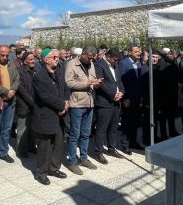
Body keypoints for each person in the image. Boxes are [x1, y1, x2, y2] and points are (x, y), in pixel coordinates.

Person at [32, 49, 69, 185]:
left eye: (58, 56)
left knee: (58, 144)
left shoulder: (59, 72)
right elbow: (45, 96)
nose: (57, 59)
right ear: (46, 59)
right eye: (54, 57)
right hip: (46, 116)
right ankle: (41, 172)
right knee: (44, 147)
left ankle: (54, 168)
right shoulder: (39, 76)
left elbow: (66, 89)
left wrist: (66, 103)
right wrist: (61, 105)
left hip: (60, 116)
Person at [63, 45, 100, 175]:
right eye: (89, 57)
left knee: (86, 133)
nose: (90, 60)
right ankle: (72, 161)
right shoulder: (71, 64)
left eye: (92, 58)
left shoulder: (91, 64)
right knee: (75, 134)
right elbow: (68, 82)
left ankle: (84, 158)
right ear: (83, 54)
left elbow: (92, 78)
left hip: (89, 103)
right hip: (77, 103)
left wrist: (96, 82)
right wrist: (86, 84)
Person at [93, 48, 126, 164]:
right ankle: (98, 152)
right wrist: (113, 95)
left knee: (113, 127)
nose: (115, 62)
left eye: (117, 60)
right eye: (114, 59)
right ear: (107, 56)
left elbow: (119, 80)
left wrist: (121, 92)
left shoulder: (115, 66)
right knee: (102, 129)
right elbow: (100, 83)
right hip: (104, 102)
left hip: (116, 101)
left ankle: (111, 148)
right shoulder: (99, 65)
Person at [118, 45, 145, 153]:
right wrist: (124, 97)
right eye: (136, 51)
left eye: (139, 51)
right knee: (126, 121)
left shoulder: (139, 63)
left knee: (135, 120)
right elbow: (121, 82)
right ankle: (124, 144)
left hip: (137, 97)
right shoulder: (123, 63)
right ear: (130, 52)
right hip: (128, 98)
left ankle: (133, 141)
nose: (139, 53)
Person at [15, 51, 36, 158]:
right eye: (31, 59)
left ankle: (31, 146)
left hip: (34, 105)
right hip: (24, 104)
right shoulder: (19, 72)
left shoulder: (35, 71)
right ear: (24, 61)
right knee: (22, 128)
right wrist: (32, 101)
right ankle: (21, 149)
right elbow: (22, 90)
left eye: (33, 59)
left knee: (32, 127)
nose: (33, 61)